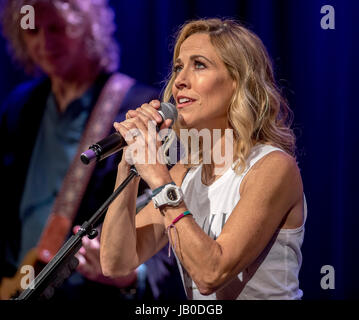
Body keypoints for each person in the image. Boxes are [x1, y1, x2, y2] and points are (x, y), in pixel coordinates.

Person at [100, 18, 307, 300]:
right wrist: (129, 165)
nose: (180, 81)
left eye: (199, 64)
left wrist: (160, 178)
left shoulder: (272, 167)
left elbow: (211, 274)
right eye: (178, 67)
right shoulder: (184, 174)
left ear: (238, 81)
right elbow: (116, 262)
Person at [0, 0, 185, 301]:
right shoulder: (20, 108)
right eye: (32, 30)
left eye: (57, 28)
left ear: (88, 30)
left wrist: (131, 275)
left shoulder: (139, 111)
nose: (45, 41)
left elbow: (172, 221)